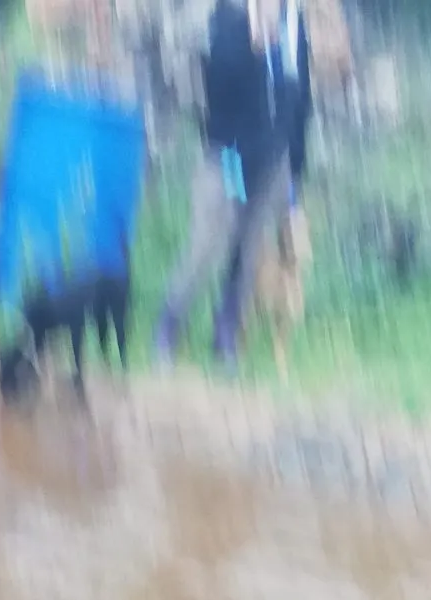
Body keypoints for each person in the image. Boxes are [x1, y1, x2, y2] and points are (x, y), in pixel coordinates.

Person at [153, 0, 313, 366]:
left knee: (249, 247)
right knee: (212, 238)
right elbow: (216, 87)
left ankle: (225, 332)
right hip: (230, 156)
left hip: (272, 162)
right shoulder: (227, 16)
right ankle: (170, 323)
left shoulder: (294, 24)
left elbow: (302, 99)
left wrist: (296, 174)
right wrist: (252, 44)